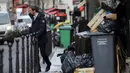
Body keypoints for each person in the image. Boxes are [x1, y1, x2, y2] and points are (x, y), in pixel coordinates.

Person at [28, 6, 51, 72]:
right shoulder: (33, 17)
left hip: (42, 39)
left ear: (34, 11)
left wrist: (36, 35)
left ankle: (48, 63)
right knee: (36, 54)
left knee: (43, 53)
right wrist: (30, 32)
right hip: (35, 38)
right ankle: (38, 68)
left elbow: (42, 29)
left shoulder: (41, 18)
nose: (29, 12)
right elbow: (33, 27)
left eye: (30, 10)